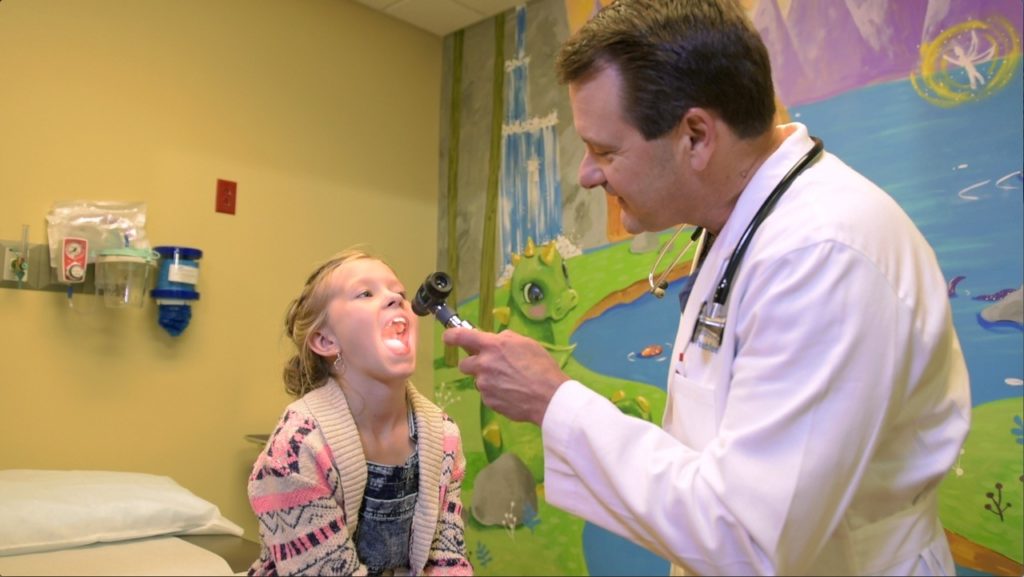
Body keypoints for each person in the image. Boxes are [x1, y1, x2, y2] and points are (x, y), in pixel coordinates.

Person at [442, 0, 971, 575]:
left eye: (604, 151)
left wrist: (553, 401)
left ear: (695, 136)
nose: (586, 175)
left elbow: (745, 539)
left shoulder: (823, 255)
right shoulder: (742, 228)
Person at [247, 248, 473, 576]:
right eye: (365, 293)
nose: (396, 299)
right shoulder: (296, 450)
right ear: (325, 341)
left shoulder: (443, 435)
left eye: (400, 293)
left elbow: (447, 559)